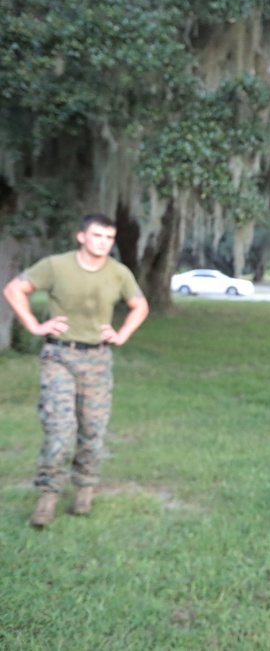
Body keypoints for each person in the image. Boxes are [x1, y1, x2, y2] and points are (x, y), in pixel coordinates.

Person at [3, 213, 149, 528]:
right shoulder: (56, 266)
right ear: (81, 237)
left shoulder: (119, 273)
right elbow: (14, 290)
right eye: (97, 236)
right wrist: (34, 325)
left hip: (97, 360)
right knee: (59, 429)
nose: (104, 243)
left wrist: (121, 335)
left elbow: (141, 306)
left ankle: (85, 489)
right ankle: (48, 495)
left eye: (109, 238)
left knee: (93, 429)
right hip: (60, 356)